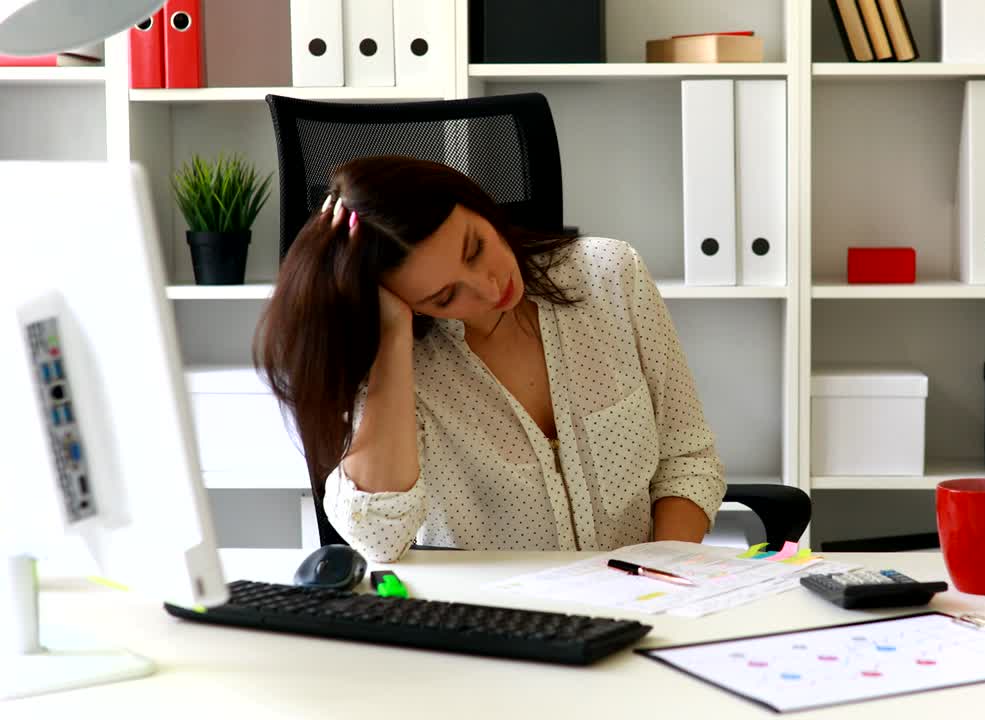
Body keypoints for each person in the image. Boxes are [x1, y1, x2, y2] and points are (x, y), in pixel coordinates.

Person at [254, 155, 726, 562]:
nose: (488, 286)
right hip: (492, 631)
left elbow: (687, 459)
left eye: (475, 248)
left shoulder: (609, 276)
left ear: (474, 203)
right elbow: (380, 537)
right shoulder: (394, 372)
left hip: (642, 610)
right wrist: (392, 339)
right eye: (444, 296)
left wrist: (663, 575)